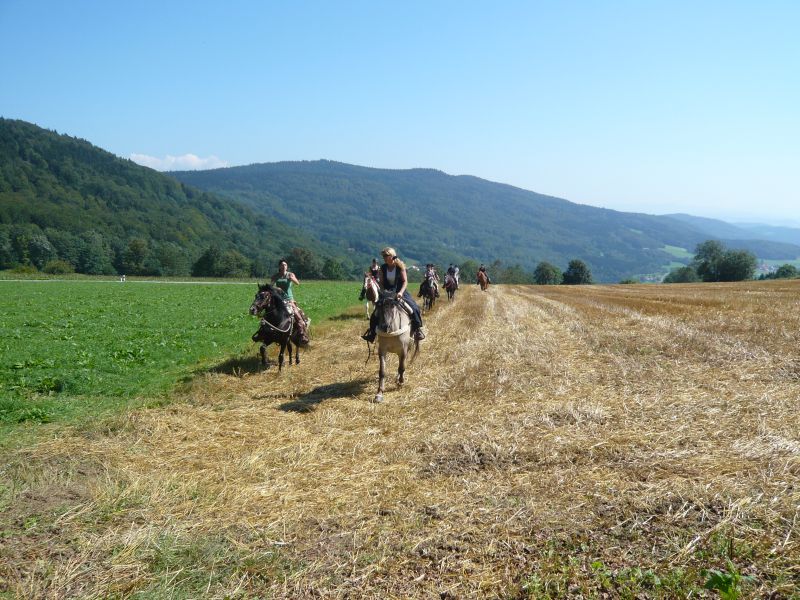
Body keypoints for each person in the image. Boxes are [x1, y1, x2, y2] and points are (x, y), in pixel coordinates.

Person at [362, 247, 425, 342]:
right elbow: (381, 283)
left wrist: (400, 292)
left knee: (414, 308)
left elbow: (405, 282)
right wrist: (384, 291)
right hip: (387, 293)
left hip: (400, 292)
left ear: (391, 256)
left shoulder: (400, 267)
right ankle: (372, 333)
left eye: (386, 256)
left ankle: (417, 330)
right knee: (376, 313)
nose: (384, 258)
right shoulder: (383, 268)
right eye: (383, 256)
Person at [271, 259, 310, 342]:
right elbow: (270, 286)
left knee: (296, 313)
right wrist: (276, 288)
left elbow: (297, 283)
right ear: (279, 266)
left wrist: (292, 279)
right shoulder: (275, 276)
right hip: (279, 299)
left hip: (289, 299)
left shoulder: (290, 274)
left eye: (285, 265)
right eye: (282, 265)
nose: (284, 266)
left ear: (287, 266)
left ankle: (302, 332)